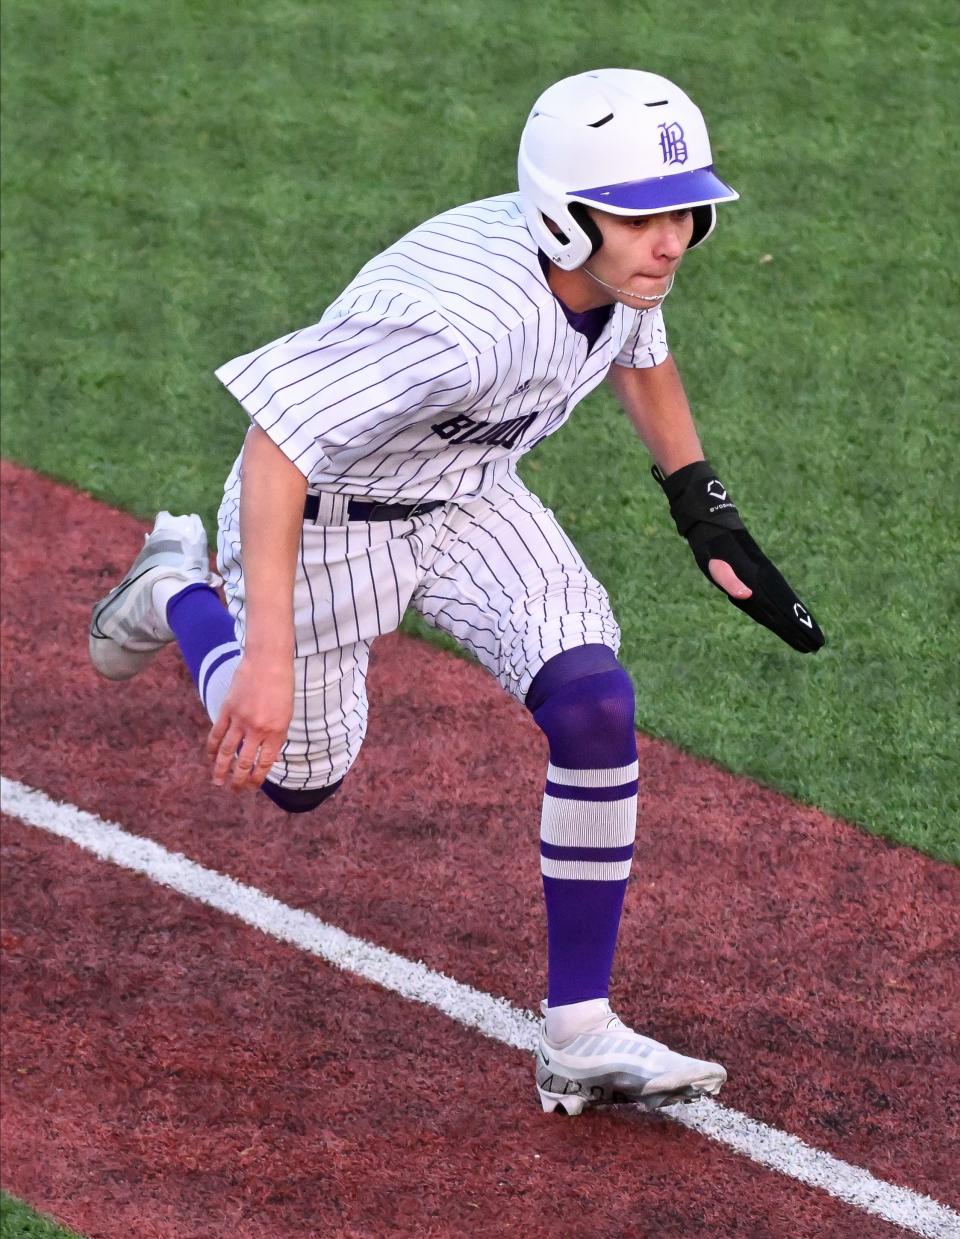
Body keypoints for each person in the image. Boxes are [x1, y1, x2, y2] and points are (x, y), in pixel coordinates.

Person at [89, 68, 824, 1116]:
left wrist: (706, 512)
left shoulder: (615, 275)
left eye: (688, 212)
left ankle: (577, 1030)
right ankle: (177, 588)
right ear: (568, 215)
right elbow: (276, 447)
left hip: (470, 497)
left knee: (594, 703)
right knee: (296, 778)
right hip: (325, 521)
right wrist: (263, 662)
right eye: (644, 217)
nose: (673, 240)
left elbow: (640, 353)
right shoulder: (457, 320)